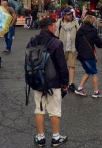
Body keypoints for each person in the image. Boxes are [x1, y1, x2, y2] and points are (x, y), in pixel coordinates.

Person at [32, 18, 69, 147]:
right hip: (54, 81)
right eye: (54, 26)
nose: (55, 28)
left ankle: (41, 137)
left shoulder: (33, 41)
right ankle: (55, 137)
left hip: (37, 80)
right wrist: (65, 83)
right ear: (49, 26)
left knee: (39, 109)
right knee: (54, 110)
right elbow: (62, 65)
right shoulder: (56, 43)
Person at [74, 15, 102, 97]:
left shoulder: (80, 30)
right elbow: (98, 41)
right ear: (91, 22)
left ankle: (80, 88)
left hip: (81, 54)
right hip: (89, 54)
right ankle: (96, 91)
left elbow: (76, 43)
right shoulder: (93, 30)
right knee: (94, 72)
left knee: (88, 71)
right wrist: (100, 45)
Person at [55, 8, 79, 92]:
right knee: (61, 66)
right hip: (62, 49)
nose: (70, 16)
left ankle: (71, 83)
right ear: (64, 15)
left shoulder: (75, 23)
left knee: (72, 66)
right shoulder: (59, 23)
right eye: (68, 14)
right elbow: (55, 36)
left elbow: (79, 34)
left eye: (71, 14)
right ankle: (62, 83)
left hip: (72, 48)